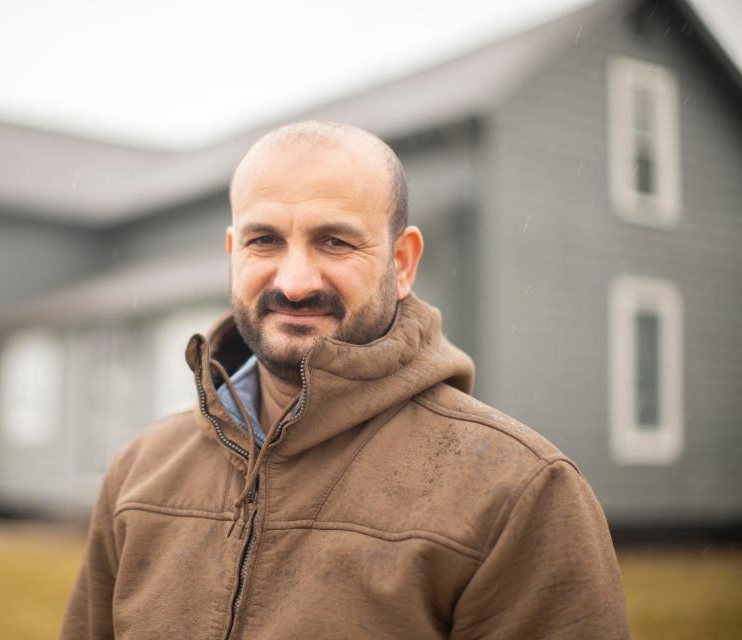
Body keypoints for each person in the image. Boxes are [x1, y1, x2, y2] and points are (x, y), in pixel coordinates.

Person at [60, 121, 630, 639]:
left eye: (334, 241)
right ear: (234, 254)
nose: (297, 281)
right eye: (265, 241)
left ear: (402, 264)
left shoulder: (518, 493)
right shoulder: (140, 473)